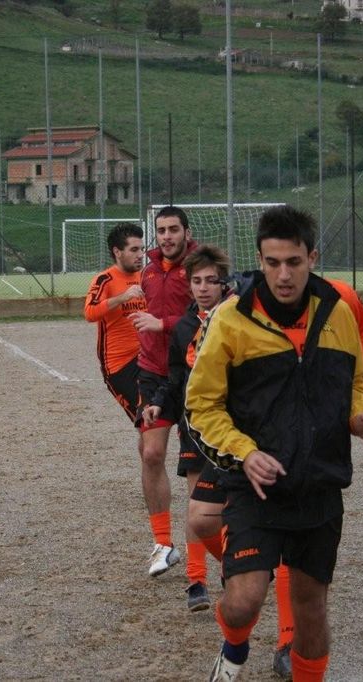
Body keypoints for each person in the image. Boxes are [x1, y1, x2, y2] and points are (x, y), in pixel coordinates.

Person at [185, 205, 363, 682]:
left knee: (311, 609)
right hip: (254, 485)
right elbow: (200, 406)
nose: (283, 275)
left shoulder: (338, 312)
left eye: (294, 262)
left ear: (312, 258)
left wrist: (360, 418)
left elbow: (352, 384)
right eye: (272, 262)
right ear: (259, 260)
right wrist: (245, 452)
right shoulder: (231, 318)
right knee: (243, 601)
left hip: (318, 484)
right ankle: (235, 645)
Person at [142, 245, 231, 611]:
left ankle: (237, 564)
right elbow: (176, 377)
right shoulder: (184, 327)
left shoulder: (239, 319)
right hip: (195, 426)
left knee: (232, 506)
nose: (204, 287)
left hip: (235, 428)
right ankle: (197, 581)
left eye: (211, 280)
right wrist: (159, 402)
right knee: (198, 505)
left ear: (225, 283)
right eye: (197, 281)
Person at [128, 206, 198, 577]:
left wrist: (162, 323)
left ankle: (208, 549)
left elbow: (210, 316)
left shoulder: (201, 267)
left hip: (192, 375)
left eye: (173, 229)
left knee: (200, 467)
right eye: (161, 230)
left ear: (187, 232)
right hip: (153, 374)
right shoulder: (149, 269)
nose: (167, 236)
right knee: (151, 453)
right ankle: (163, 544)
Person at [83, 223, 146, 422]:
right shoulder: (105, 280)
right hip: (120, 365)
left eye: (142, 249)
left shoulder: (146, 277)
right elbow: (90, 313)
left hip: (149, 358)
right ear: (117, 252)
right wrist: (122, 298)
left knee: (160, 418)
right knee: (145, 421)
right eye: (134, 250)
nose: (140, 255)